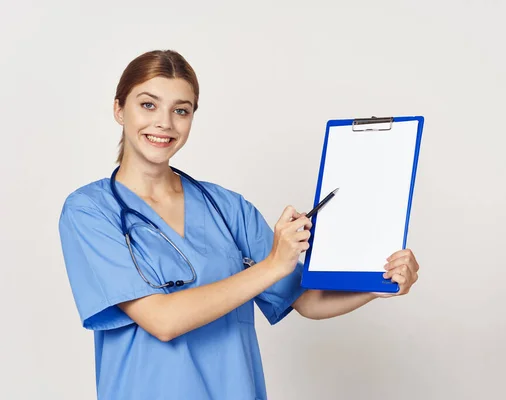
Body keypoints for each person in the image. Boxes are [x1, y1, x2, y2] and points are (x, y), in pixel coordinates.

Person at [58, 49, 420, 400]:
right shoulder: (90, 211)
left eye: (180, 110)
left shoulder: (227, 208)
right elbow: (161, 321)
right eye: (148, 105)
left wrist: (378, 283)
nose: (164, 123)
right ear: (120, 109)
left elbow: (306, 300)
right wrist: (272, 265)